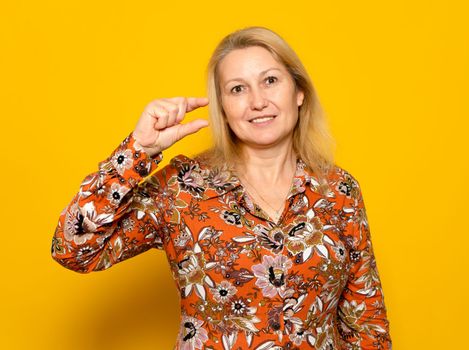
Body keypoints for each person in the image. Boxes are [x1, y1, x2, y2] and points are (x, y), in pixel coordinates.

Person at [51, 26, 392, 350]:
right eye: (237, 89)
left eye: (270, 81)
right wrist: (138, 149)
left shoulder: (339, 190)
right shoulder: (181, 187)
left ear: (299, 91)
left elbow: (366, 322)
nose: (257, 101)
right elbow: (74, 249)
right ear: (224, 109)